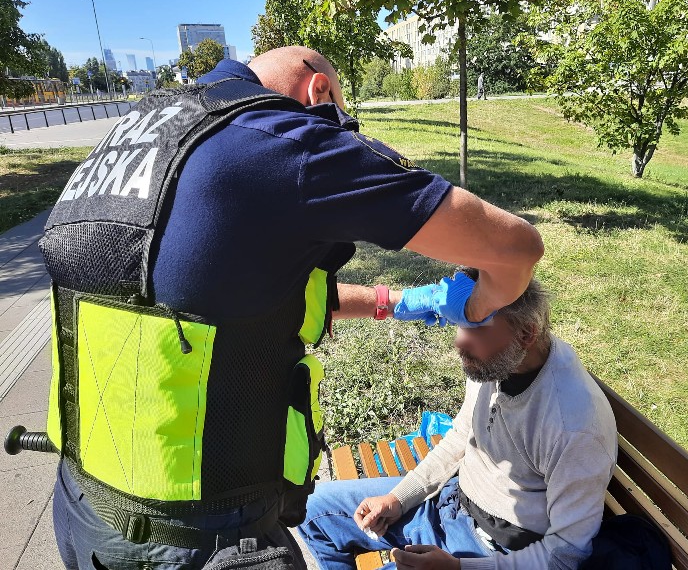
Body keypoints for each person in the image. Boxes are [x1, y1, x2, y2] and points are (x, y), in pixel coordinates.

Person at [38, 46, 544, 570]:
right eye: (341, 118)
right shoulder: (282, 139)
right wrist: (478, 303)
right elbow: (516, 249)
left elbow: (213, 298)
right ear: (318, 91)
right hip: (199, 536)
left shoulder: (140, 132)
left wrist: (396, 301)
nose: (340, 130)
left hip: (84, 506)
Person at [298, 270, 618, 570]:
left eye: (476, 327)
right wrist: (399, 498)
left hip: (492, 550)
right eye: (461, 322)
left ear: (526, 335)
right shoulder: (496, 362)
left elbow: (566, 553)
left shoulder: (574, 426)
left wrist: (460, 567)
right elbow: (461, 436)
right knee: (310, 510)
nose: (459, 341)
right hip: (449, 502)